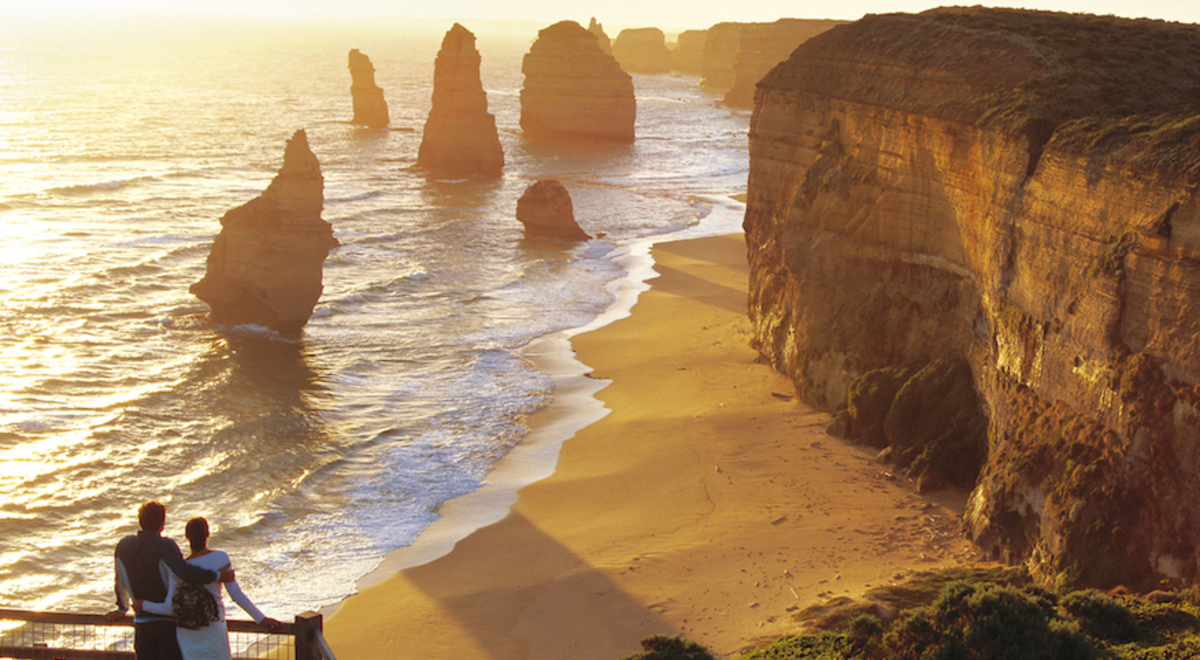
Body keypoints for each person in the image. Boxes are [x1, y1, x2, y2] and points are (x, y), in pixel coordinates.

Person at [136, 517, 282, 660]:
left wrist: (143, 605)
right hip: (213, 627)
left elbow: (169, 608)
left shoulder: (179, 570)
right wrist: (261, 619)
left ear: (187, 537)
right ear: (207, 534)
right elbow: (236, 595)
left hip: (187, 633)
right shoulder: (220, 558)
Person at [105, 501, 221, 660]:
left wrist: (122, 607)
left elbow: (120, 580)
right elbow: (183, 572)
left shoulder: (123, 546)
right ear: (162, 523)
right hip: (167, 623)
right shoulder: (165, 545)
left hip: (142, 622)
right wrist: (215, 575)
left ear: (140, 521)